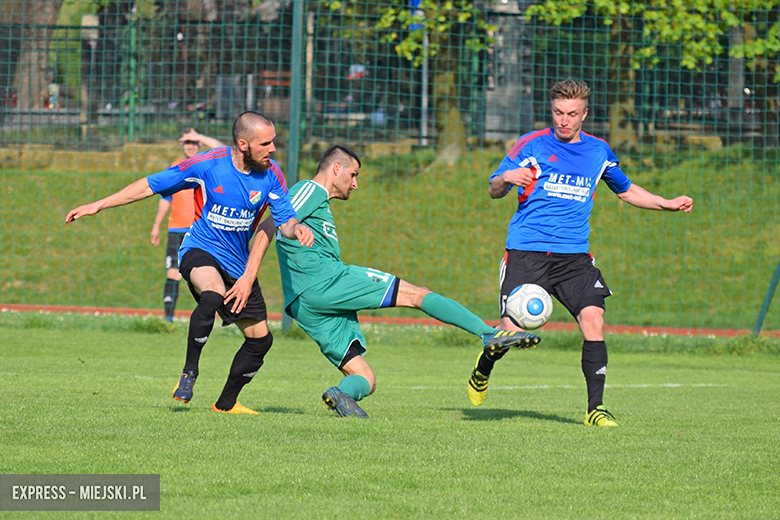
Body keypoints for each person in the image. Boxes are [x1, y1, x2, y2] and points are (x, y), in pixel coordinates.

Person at [255, 145, 541, 419]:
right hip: (325, 280)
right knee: (417, 294)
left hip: (303, 303)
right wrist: (286, 237)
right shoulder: (310, 188)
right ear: (336, 168)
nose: (355, 184)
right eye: (353, 175)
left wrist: (294, 231)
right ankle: (488, 333)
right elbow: (275, 222)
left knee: (365, 378)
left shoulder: (319, 203)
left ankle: (341, 395)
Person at [475, 78, 693, 426]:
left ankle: (595, 409)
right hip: (527, 252)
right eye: (558, 112)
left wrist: (666, 204)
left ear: (584, 115)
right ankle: (485, 364)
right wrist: (507, 178)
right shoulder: (530, 144)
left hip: (575, 257)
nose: (563, 120)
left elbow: (625, 190)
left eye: (571, 114)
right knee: (510, 332)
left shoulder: (598, 151)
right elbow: (494, 189)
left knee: (594, 320)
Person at [66, 112, 314, 414]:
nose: (273, 148)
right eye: (266, 143)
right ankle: (189, 373)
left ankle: (225, 405)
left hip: (237, 265)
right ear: (243, 144)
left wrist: (296, 228)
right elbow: (149, 185)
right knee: (212, 293)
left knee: (259, 341)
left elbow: (284, 220)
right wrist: (98, 205)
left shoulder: (272, 174)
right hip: (200, 249)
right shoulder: (208, 164)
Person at [150, 129, 226, 322]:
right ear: (181, 144)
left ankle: (214, 317)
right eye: (187, 142)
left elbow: (223, 149)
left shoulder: (207, 163)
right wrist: (156, 226)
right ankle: (168, 319)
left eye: (194, 142)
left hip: (201, 229)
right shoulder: (175, 167)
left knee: (210, 272)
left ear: (200, 144)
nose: (190, 146)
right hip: (176, 229)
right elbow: (165, 198)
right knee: (172, 272)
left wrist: (200, 136)